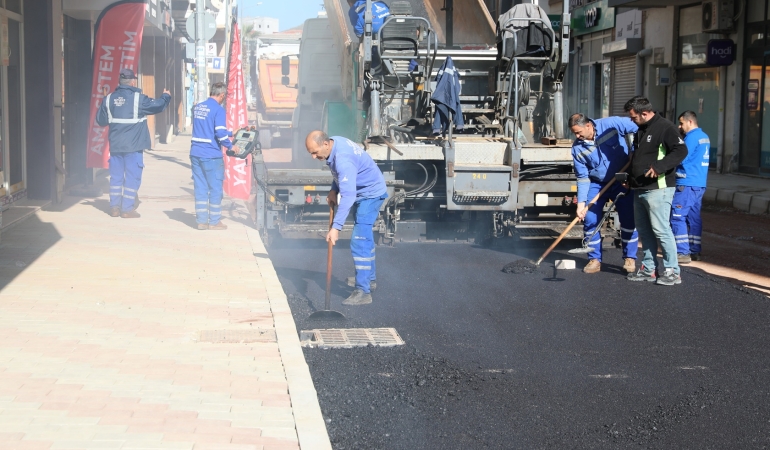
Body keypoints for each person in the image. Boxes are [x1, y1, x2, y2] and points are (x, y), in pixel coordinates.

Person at [305, 131, 388, 306]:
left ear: (325, 144)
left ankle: (363, 291)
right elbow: (340, 173)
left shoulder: (343, 158)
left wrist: (336, 228)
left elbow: (348, 196)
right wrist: (334, 189)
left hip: (370, 195)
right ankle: (369, 280)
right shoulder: (335, 143)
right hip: (364, 191)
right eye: (310, 153)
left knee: (359, 240)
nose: (313, 157)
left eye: (314, 152)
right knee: (364, 237)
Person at [624, 96, 689, 286]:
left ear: (644, 113)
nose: (632, 120)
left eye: (634, 117)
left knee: (661, 230)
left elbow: (680, 151)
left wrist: (659, 167)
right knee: (644, 231)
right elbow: (638, 158)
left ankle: (672, 271)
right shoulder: (641, 130)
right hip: (640, 188)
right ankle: (648, 269)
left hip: (658, 188)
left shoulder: (665, 127)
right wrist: (629, 177)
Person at [569, 113, 639, 274]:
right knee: (590, 218)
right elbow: (583, 178)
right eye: (574, 133)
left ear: (588, 125)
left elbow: (639, 128)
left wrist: (636, 151)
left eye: (579, 132)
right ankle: (594, 259)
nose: (577, 136)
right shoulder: (577, 148)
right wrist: (581, 205)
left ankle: (630, 257)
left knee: (628, 219)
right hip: (597, 183)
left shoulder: (612, 124)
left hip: (621, 179)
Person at [96, 68, 171, 219]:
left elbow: (101, 120)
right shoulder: (138, 99)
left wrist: (105, 105)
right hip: (133, 147)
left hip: (116, 146)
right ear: (132, 82)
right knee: (132, 177)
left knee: (116, 178)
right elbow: (158, 106)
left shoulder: (109, 99)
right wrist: (166, 96)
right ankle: (127, 209)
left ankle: (114, 208)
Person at [190, 82, 239, 230]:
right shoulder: (218, 109)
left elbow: (207, 128)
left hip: (195, 153)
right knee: (216, 189)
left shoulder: (198, 107)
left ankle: (201, 221)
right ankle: (215, 221)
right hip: (211, 155)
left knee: (200, 188)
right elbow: (218, 133)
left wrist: (230, 133)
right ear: (222, 95)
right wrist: (231, 146)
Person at [671, 111, 710, 263]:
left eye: (681, 123)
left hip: (686, 183)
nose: (680, 126)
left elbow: (680, 157)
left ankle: (682, 252)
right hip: (699, 183)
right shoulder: (704, 136)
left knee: (677, 217)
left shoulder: (691, 137)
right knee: (694, 217)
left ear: (690, 122)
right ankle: (695, 250)